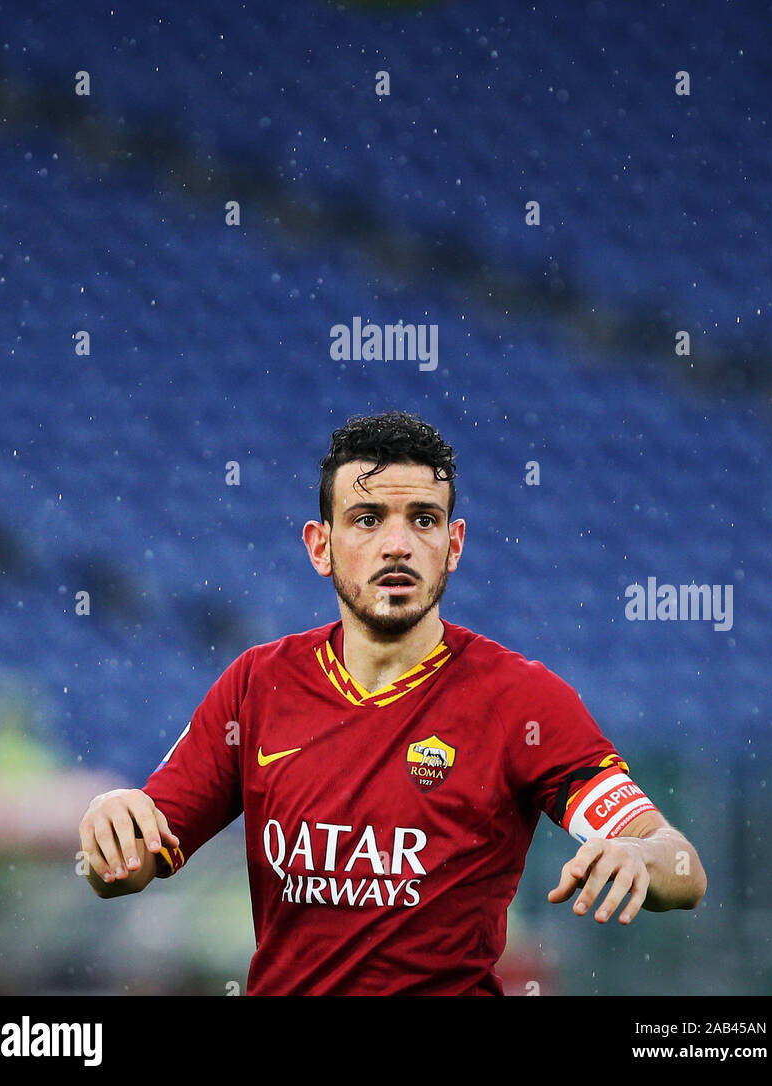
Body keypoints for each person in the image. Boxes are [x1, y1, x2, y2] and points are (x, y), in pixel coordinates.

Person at [79, 410, 706, 996]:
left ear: (453, 546)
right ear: (320, 546)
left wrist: (640, 856)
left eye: (424, 520)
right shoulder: (256, 685)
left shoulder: (521, 701)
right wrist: (109, 822)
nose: (398, 544)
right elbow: (128, 865)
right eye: (368, 518)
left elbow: (685, 869)